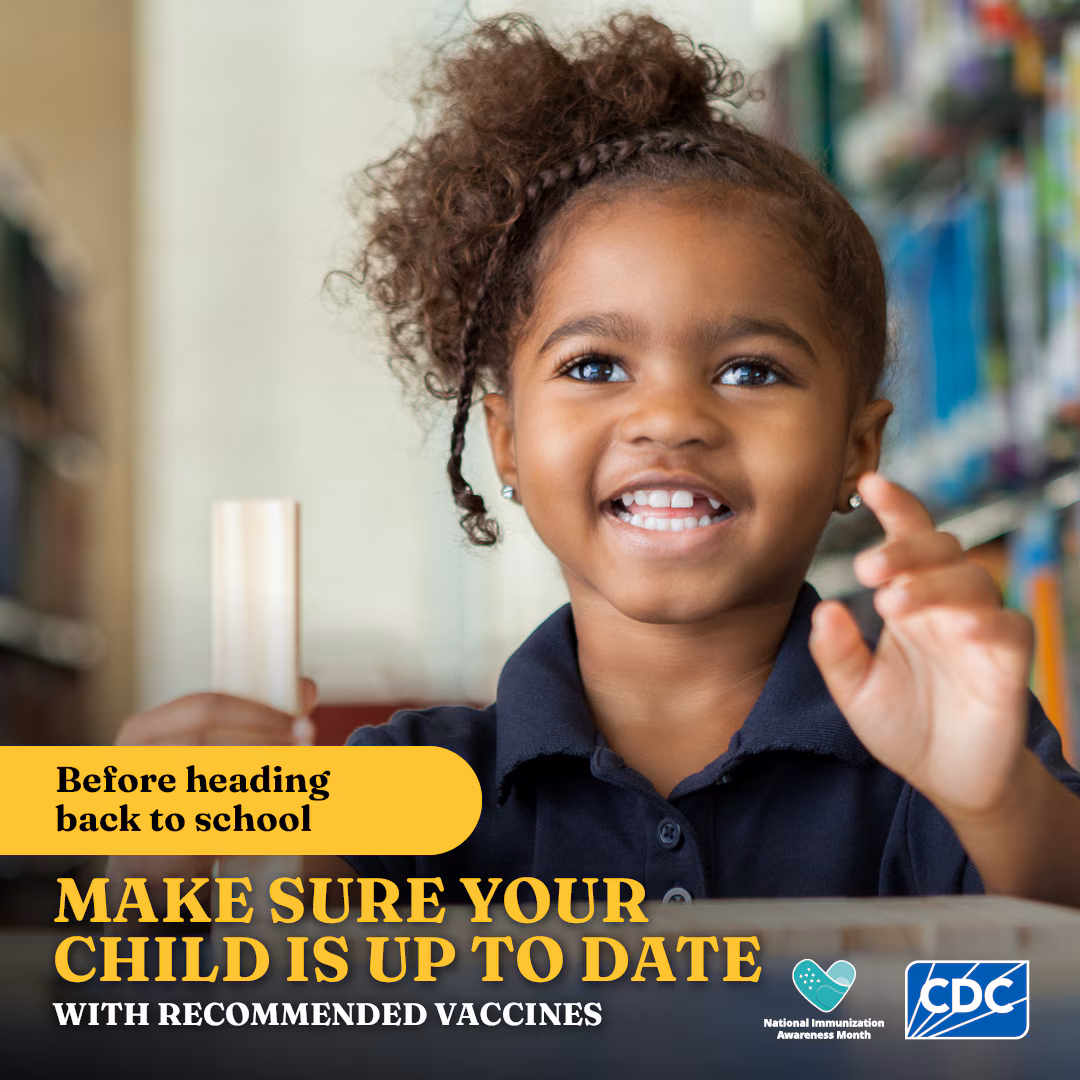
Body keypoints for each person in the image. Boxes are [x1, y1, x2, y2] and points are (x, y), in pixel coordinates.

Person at [115, 12, 1080, 905]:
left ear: (854, 450)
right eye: (595, 364)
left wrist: (997, 801)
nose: (669, 417)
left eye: (750, 370)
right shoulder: (392, 800)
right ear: (507, 444)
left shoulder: (946, 750)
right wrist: (153, 891)